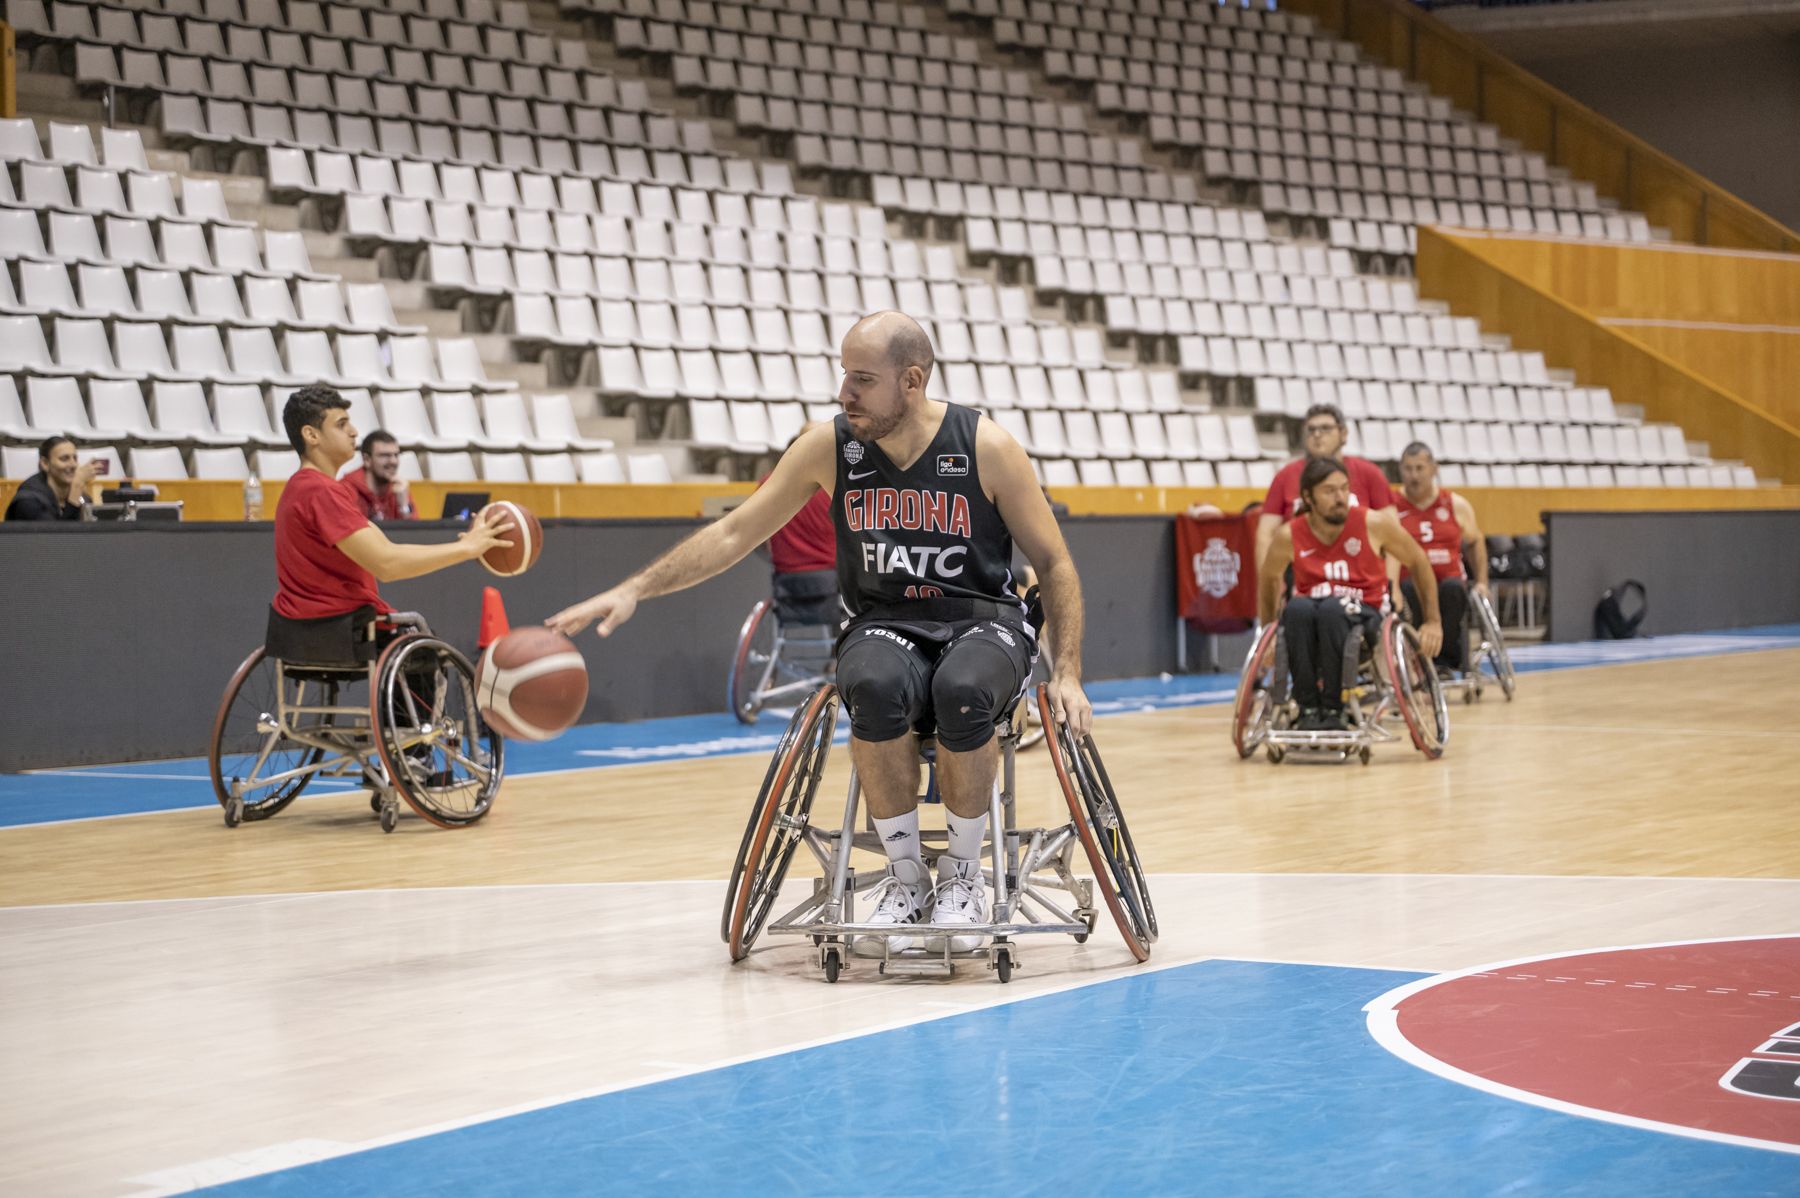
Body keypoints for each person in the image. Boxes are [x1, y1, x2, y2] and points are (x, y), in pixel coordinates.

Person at [550, 311, 1091, 956]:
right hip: (884, 622)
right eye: (843, 375)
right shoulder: (830, 446)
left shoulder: (985, 447)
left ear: (912, 381)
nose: (844, 393)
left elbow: (1055, 563)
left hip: (982, 619)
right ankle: (905, 876)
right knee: (870, 682)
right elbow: (731, 533)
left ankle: (965, 877)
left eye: (862, 379)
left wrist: (1068, 674)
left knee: (966, 687)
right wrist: (634, 587)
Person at [274, 387, 511, 625]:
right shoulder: (320, 490)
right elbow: (388, 564)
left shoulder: (302, 486)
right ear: (311, 435)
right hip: (339, 629)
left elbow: (387, 548)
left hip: (305, 629)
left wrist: (464, 545)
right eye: (341, 424)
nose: (354, 431)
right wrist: (467, 548)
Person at [1259, 457, 1442, 732]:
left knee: (1333, 609)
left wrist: (1433, 621)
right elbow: (1268, 578)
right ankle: (1308, 707)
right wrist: (1266, 631)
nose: (1340, 497)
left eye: (1344, 489)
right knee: (1296, 609)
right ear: (1308, 497)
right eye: (1330, 491)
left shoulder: (1374, 523)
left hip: (1365, 615)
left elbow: (1418, 561)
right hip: (1311, 617)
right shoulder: (1289, 535)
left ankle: (1335, 707)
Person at [1254, 403, 1393, 573]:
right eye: (1311, 430)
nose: (1317, 435)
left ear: (1343, 434)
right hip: (1301, 572)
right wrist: (1269, 589)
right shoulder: (1286, 476)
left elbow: (1393, 535)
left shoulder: (1369, 473)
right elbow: (1265, 534)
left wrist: (1391, 586)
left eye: (1325, 428)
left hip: (1359, 571)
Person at [1394, 442, 1489, 675]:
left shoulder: (1455, 504)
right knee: (1408, 589)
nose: (1414, 475)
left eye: (1419, 468)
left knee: (1453, 590)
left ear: (1433, 469)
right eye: (1408, 469)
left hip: (1449, 579)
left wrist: (1482, 582)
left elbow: (1476, 542)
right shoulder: (1392, 506)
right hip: (1410, 581)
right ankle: (1418, 657)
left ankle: (1445, 658)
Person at [4, 435, 99, 522]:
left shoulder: (83, 498)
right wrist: (76, 487)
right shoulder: (29, 502)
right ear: (45, 463)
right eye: (64, 459)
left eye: (75, 458)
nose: (73, 464)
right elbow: (55, 538)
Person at [341, 430, 417, 523]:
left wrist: (404, 507)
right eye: (385, 455)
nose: (393, 461)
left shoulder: (399, 489)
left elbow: (415, 534)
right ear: (367, 460)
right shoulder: (346, 491)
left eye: (396, 455)